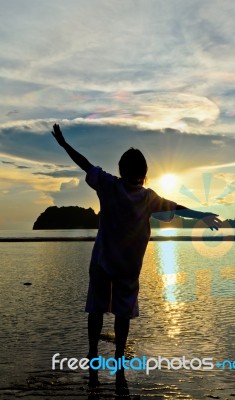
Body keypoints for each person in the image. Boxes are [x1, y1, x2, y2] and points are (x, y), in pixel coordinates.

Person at [51, 123, 221, 386]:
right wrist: (202, 215)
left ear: (121, 170)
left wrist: (63, 145)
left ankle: (93, 353)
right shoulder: (148, 197)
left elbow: (84, 164)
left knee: (96, 310)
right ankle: (118, 358)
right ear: (145, 173)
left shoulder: (109, 185)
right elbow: (178, 207)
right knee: (122, 314)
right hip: (128, 268)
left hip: (102, 262)